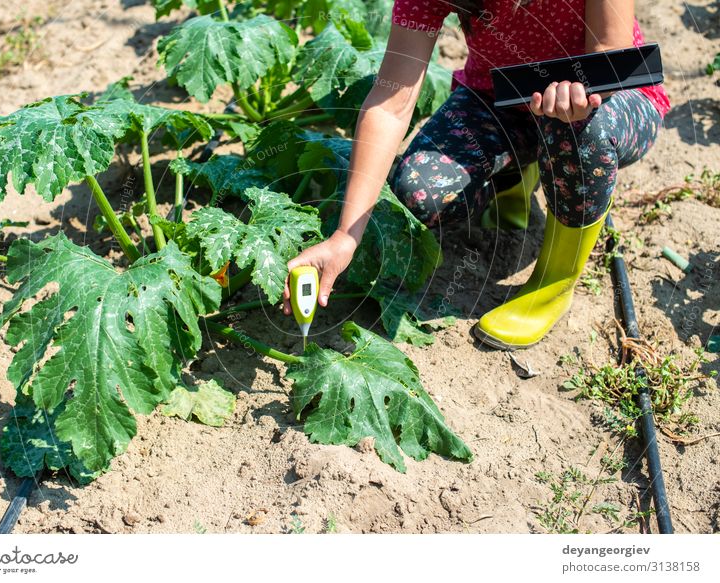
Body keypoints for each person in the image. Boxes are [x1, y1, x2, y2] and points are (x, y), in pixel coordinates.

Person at [282, 0, 670, 349]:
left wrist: (580, 96)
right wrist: (344, 236)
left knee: (580, 132)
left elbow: (609, 53)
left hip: (608, 96)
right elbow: (390, 106)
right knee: (422, 192)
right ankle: (521, 173)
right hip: (503, 96)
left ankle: (554, 282)